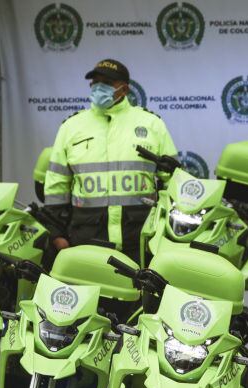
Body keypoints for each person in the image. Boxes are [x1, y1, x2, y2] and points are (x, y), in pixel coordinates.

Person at [43, 59, 178, 262]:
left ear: (124, 89)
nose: (99, 87)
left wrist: (167, 234)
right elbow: (57, 187)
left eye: (106, 83)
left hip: (141, 241)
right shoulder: (71, 127)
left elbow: (173, 183)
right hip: (86, 240)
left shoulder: (152, 125)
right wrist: (57, 235)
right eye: (95, 82)